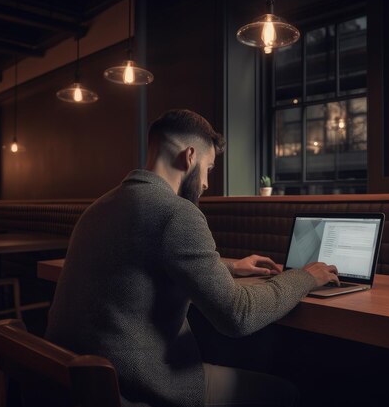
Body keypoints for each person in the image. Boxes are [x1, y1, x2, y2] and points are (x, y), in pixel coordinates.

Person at [45, 109, 339, 407]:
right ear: (189, 156)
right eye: (209, 168)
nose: (208, 183)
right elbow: (237, 316)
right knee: (285, 393)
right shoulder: (176, 212)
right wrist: (306, 277)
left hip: (76, 385)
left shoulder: (100, 206)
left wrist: (231, 266)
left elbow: (144, 258)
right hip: (137, 390)